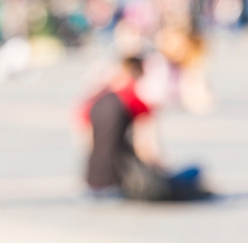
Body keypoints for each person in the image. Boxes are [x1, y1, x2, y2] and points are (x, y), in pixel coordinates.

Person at [82, 55, 209, 202]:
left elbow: (88, 141)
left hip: (93, 181)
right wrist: (159, 168)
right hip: (123, 180)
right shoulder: (135, 100)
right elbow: (144, 146)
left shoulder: (95, 101)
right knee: (193, 171)